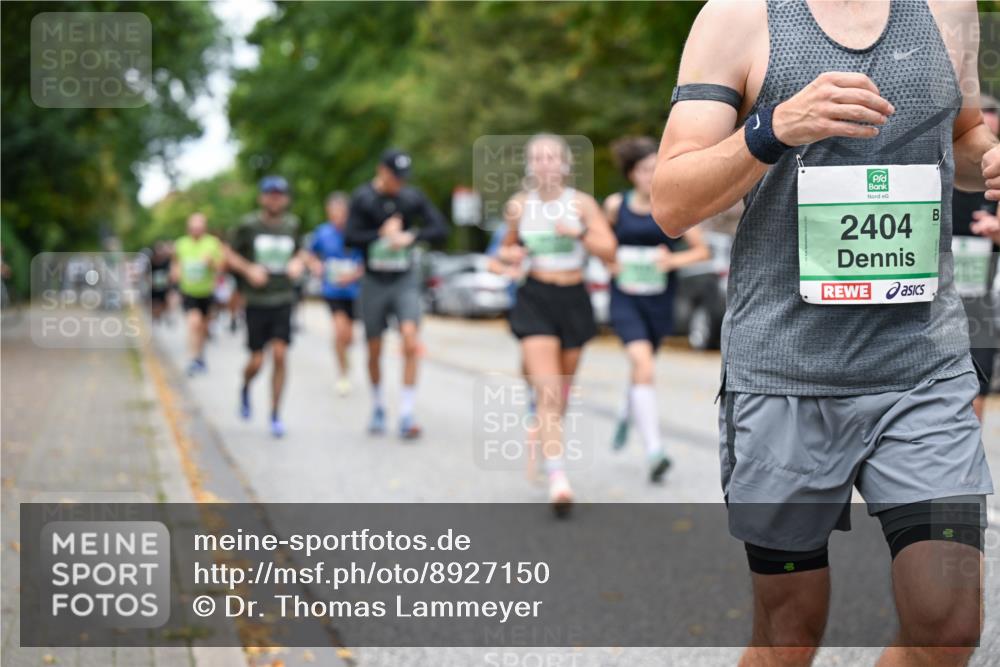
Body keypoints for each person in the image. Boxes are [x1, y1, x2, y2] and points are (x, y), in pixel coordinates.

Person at [653, 1, 996, 664]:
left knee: (949, 626)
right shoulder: (738, 18)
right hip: (785, 377)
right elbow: (671, 202)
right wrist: (773, 128)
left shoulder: (950, 10)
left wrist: (992, 161)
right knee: (789, 636)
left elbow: (965, 136)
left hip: (923, 371)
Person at [496, 134, 616, 516]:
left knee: (560, 393)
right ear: (530, 166)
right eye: (538, 158)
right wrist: (511, 253)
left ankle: (545, 433)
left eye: (552, 157)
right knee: (548, 392)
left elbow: (609, 249)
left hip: (573, 298)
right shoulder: (519, 206)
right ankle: (558, 478)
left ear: (564, 165)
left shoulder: (581, 204)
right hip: (535, 296)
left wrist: (577, 232)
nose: (546, 163)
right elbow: (506, 247)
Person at [605, 136, 710, 482]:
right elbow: (601, 245)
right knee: (643, 364)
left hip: (658, 300)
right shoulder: (614, 206)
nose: (652, 175)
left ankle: (628, 409)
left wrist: (671, 259)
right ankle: (655, 451)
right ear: (632, 173)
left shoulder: (671, 205)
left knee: (643, 369)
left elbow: (701, 251)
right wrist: (610, 263)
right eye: (646, 169)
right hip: (625, 299)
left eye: (656, 168)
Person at [344, 149, 448, 439]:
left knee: (411, 339)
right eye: (394, 177)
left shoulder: (411, 198)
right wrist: (381, 234)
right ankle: (378, 405)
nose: (399, 183)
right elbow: (350, 237)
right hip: (374, 280)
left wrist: (410, 236)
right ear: (381, 171)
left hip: (404, 279)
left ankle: (406, 412)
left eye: (403, 178)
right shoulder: (363, 198)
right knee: (374, 348)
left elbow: (440, 228)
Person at [227, 175, 305, 438]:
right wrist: (248, 268)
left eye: (280, 194)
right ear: (262, 197)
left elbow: (302, 252)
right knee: (257, 360)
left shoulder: (292, 225)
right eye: (270, 194)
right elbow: (227, 253)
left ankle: (275, 414)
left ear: (286, 198)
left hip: (283, 300)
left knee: (281, 355)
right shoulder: (248, 225)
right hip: (257, 302)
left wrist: (298, 262)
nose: (275, 198)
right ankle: (246, 387)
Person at [952, 95, 1000, 422]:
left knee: (977, 384)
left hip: (980, 294)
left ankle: (971, 460)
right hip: (934, 291)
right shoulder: (941, 165)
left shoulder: (997, 176)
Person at [311, 191, 365, 396]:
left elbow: (364, 262)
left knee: (349, 337)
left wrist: (352, 276)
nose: (338, 216)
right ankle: (342, 374)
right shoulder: (322, 233)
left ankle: (344, 354)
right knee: (340, 331)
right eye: (334, 212)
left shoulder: (355, 233)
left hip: (353, 292)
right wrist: (315, 265)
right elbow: (309, 254)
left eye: (341, 212)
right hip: (333, 291)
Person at [172, 213, 224, 375]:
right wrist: (176, 274)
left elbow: (221, 268)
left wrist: (211, 263)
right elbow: (176, 263)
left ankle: (200, 356)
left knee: (203, 328)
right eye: (193, 227)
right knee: (193, 323)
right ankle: (193, 359)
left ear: (205, 228)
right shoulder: (181, 244)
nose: (196, 230)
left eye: (199, 227)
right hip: (188, 291)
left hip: (207, 292)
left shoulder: (213, 243)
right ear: (188, 228)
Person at [148, 241, 173, 324]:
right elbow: (146, 273)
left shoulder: (167, 261)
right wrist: (150, 282)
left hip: (164, 285)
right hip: (154, 286)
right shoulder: (150, 261)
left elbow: (170, 272)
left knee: (165, 302)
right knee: (155, 303)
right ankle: (155, 318)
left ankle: (163, 316)